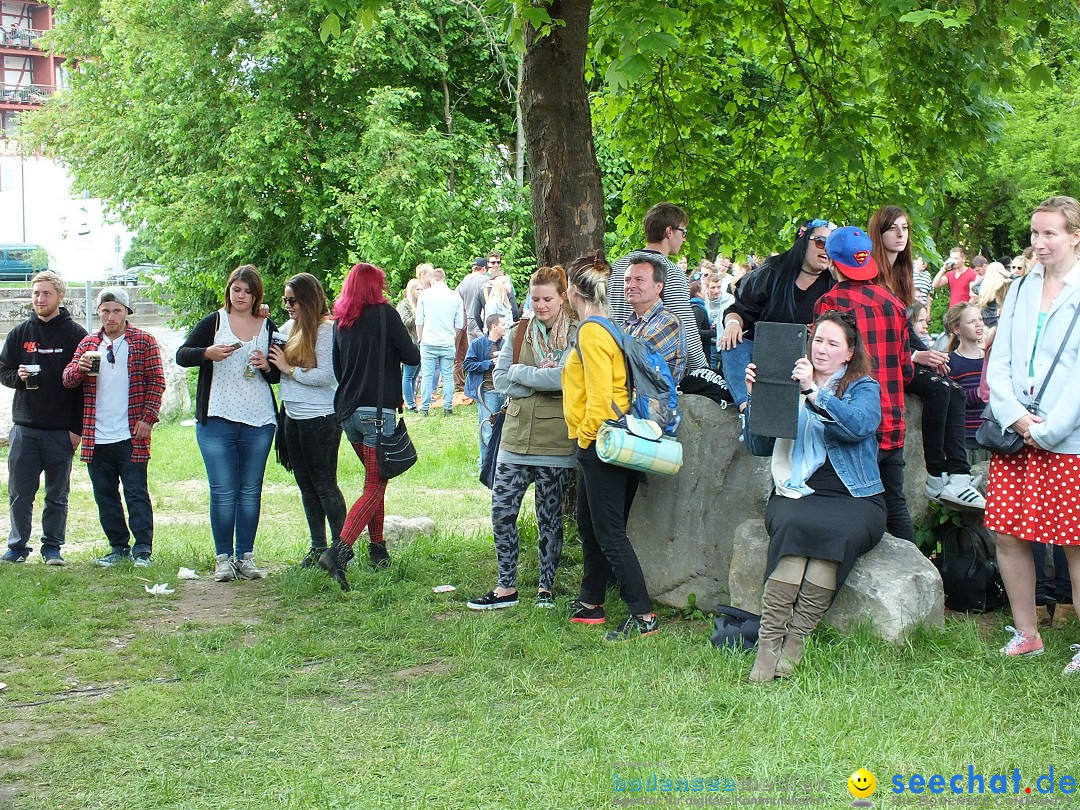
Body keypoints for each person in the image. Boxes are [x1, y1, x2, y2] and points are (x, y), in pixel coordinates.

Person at [743, 310, 885, 682]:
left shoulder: (862, 387)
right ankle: (768, 646)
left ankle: (796, 641)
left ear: (849, 353)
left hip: (854, 495)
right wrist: (757, 397)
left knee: (835, 534)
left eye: (833, 343)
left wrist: (812, 393)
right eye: (818, 340)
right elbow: (758, 446)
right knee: (793, 526)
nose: (822, 349)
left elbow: (858, 427)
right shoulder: (784, 380)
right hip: (795, 489)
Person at [984, 196, 1080, 673]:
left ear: (1074, 236)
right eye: (1034, 234)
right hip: (1016, 430)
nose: (1038, 244)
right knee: (1007, 535)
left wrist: (1051, 428)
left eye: (1050, 234)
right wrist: (1016, 417)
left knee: (1075, 544)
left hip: (1069, 437)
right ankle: (1027, 633)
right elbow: (998, 360)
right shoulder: (1020, 290)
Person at [467, 266, 578, 610]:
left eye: (547, 299)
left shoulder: (577, 334)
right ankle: (506, 587)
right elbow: (501, 380)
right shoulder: (519, 332)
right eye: (535, 299)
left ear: (562, 297)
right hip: (514, 440)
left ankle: (546, 587)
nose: (540, 305)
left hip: (556, 442)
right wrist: (539, 377)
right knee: (501, 512)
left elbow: (567, 380)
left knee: (549, 518)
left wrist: (525, 376)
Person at [563, 252, 659, 642]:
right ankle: (591, 602)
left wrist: (585, 439)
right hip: (613, 440)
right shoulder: (611, 327)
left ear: (573, 291)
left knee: (609, 532)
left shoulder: (591, 332)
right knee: (590, 525)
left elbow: (603, 399)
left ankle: (644, 615)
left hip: (602, 443)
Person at [869, 205, 984, 512]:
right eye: (892, 228)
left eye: (905, 228)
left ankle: (958, 475)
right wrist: (918, 354)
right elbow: (874, 335)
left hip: (904, 356)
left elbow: (906, 329)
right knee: (940, 388)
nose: (900, 234)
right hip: (879, 363)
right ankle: (936, 476)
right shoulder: (871, 275)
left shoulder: (902, 274)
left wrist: (932, 353)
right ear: (878, 234)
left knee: (954, 388)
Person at [318, 262, 420, 591]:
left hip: (348, 414)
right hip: (377, 412)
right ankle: (339, 551)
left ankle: (378, 551)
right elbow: (412, 357)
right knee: (374, 486)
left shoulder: (341, 322)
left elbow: (337, 367)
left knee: (377, 482)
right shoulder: (385, 314)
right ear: (374, 286)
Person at [176, 265, 280, 581]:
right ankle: (223, 558)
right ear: (229, 290)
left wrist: (265, 365)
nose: (241, 296)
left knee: (250, 490)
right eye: (237, 289)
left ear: (256, 294)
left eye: (248, 291)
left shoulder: (266, 324)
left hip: (258, 418)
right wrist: (207, 352)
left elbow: (279, 372)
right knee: (223, 490)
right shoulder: (214, 321)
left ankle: (245, 556)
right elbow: (183, 354)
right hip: (217, 416)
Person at [815, 226, 916, 541]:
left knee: (854, 503)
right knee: (895, 503)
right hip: (892, 422)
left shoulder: (828, 304)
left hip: (853, 424)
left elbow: (826, 368)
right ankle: (916, 575)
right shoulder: (894, 304)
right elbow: (906, 368)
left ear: (833, 263)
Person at [62, 287, 165, 567]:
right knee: (105, 495)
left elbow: (157, 382)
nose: (111, 316)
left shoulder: (143, 341)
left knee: (136, 492)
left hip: (131, 432)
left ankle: (143, 549)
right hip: (97, 434)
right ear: (99, 313)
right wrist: (79, 369)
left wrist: (147, 418)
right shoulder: (88, 344)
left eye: (116, 310)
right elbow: (67, 379)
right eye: (105, 311)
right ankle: (118, 547)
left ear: (126, 312)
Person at [0, 271, 87, 565]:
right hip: (24, 428)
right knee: (20, 494)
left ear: (60, 296)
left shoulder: (77, 335)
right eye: (36, 293)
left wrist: (76, 430)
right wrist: (18, 377)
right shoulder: (19, 333)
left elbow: (86, 387)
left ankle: (52, 547)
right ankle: (16, 547)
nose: (40, 299)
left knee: (57, 494)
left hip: (60, 431)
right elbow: (3, 372)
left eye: (46, 293)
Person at [720, 219, 836, 428]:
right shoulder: (771, 273)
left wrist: (822, 333)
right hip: (761, 355)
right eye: (820, 242)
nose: (826, 250)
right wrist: (732, 324)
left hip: (804, 361)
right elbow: (736, 311)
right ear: (803, 241)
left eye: (832, 246)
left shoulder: (834, 284)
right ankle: (748, 411)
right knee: (733, 344)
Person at [267, 273, 347, 568]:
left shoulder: (327, 330)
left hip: (321, 416)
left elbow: (328, 376)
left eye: (293, 300)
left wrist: (289, 370)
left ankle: (341, 548)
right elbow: (272, 357)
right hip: (292, 414)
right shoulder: (289, 327)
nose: (288, 306)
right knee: (305, 485)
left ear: (308, 300)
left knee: (325, 484)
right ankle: (317, 546)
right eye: (285, 300)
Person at [608, 202, 711, 376]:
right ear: (669, 231)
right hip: (650, 373)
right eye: (683, 232)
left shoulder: (618, 267)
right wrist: (704, 372)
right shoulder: (670, 271)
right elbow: (687, 333)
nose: (684, 238)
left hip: (613, 363)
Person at [623, 252, 687, 382]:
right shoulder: (629, 324)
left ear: (658, 287)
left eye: (639, 280)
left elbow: (632, 361)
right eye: (627, 280)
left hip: (653, 401)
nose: (631, 285)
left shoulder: (668, 322)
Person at [416, 267, 464, 416]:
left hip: (429, 340)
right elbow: (459, 324)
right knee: (448, 375)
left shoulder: (425, 295)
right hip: (447, 341)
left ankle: (424, 407)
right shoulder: (455, 296)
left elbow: (419, 320)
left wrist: (420, 338)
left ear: (432, 280)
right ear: (444, 279)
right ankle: (448, 407)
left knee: (427, 375)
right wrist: (452, 337)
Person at [463, 313, 508, 469]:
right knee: (487, 430)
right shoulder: (478, 344)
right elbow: (467, 365)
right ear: (493, 326)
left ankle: (498, 465)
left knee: (502, 430)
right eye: (503, 324)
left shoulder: (506, 344)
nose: (506, 326)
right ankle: (485, 466)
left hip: (502, 392)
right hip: (486, 392)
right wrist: (490, 363)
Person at [943, 302, 986, 450]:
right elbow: (949, 402)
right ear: (957, 329)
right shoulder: (950, 362)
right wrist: (978, 393)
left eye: (980, 319)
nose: (978, 325)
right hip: (966, 438)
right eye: (971, 322)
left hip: (991, 436)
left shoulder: (991, 359)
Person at [454, 257, 489, 391]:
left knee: (471, 355)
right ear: (484, 268)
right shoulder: (486, 281)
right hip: (483, 321)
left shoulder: (462, 284)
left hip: (467, 323)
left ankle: (467, 385)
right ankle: (484, 384)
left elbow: (458, 305)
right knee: (485, 353)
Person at [397, 279, 422, 413]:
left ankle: (412, 400)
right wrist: (419, 316)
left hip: (420, 344)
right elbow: (404, 322)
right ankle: (410, 404)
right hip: (409, 344)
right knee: (408, 375)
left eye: (421, 289)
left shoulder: (421, 304)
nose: (420, 292)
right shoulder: (404, 305)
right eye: (417, 289)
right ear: (411, 290)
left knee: (415, 375)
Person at [973, 261, 1009, 330]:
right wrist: (1007, 274)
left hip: (985, 318)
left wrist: (988, 278)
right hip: (998, 317)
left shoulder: (984, 289)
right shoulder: (1004, 287)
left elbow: (974, 288)